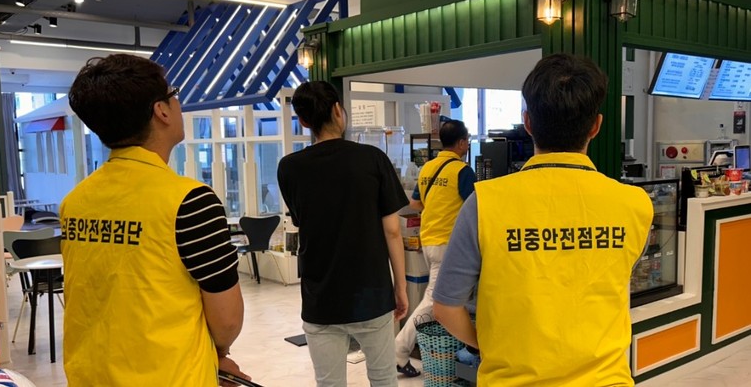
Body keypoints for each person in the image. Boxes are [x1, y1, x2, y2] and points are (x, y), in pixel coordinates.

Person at [433, 53, 654, 386]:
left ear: (528, 122)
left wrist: (490, 345)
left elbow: (445, 308)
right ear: (596, 126)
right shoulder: (635, 204)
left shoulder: (485, 203)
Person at [60, 54, 248, 386]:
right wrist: (217, 354)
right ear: (161, 110)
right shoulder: (190, 202)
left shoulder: (74, 202)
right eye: (174, 94)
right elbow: (227, 322)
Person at [277, 80, 409, 387]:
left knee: (329, 383)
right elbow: (392, 231)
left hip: (320, 297)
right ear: (338, 111)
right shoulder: (372, 158)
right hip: (371, 293)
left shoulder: (289, 168)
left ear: (304, 121)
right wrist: (400, 287)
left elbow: (303, 221)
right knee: (384, 379)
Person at [393, 119, 476, 377]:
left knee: (455, 298)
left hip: (428, 240)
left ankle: (457, 351)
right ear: (461, 143)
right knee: (434, 300)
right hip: (449, 245)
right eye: (467, 141)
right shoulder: (462, 171)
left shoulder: (428, 167)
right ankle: (398, 351)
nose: (468, 145)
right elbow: (477, 206)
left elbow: (415, 204)